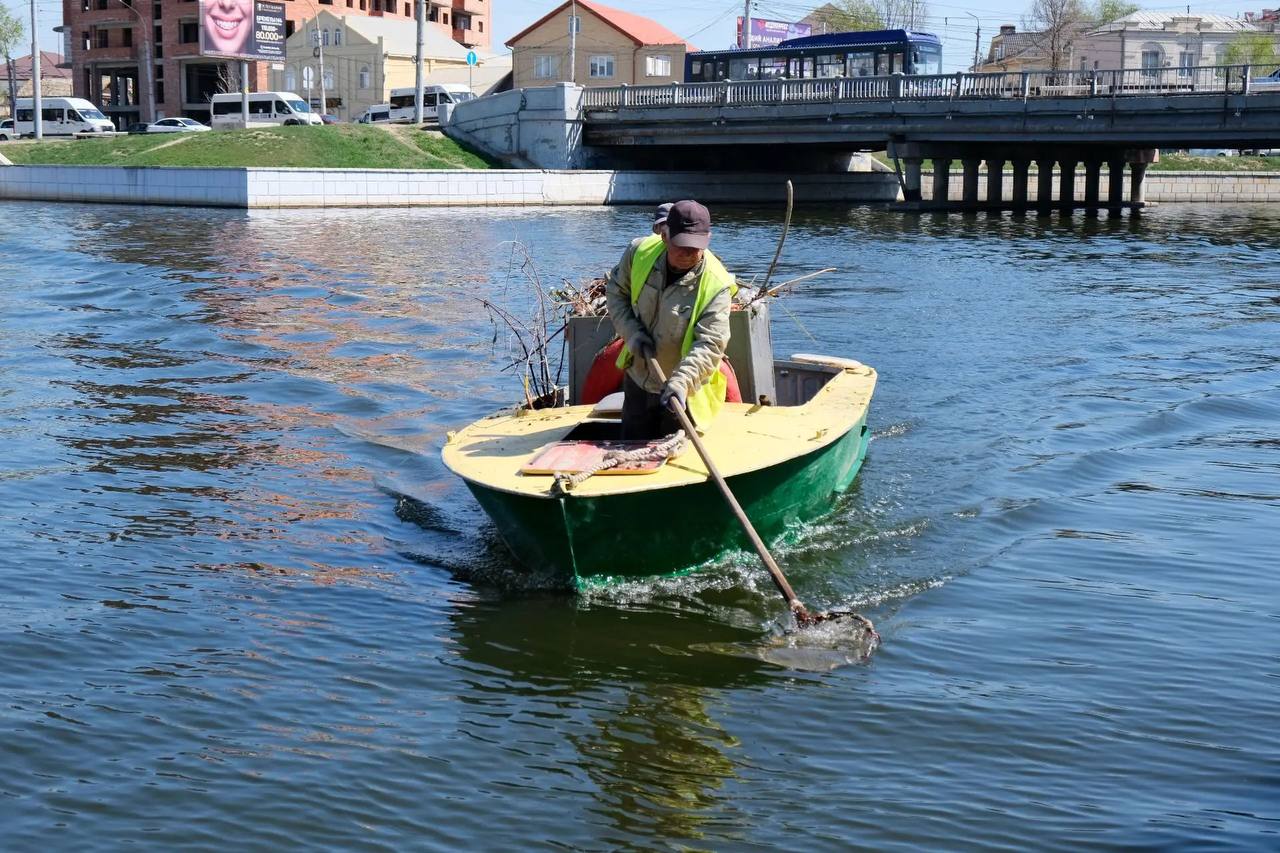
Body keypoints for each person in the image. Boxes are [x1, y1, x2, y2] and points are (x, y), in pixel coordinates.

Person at [605, 199, 737, 441]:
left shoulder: (717, 284)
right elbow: (616, 294)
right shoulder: (639, 253)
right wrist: (631, 332)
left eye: (695, 247)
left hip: (683, 392)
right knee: (631, 450)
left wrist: (682, 381)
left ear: (708, 239)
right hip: (638, 379)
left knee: (672, 455)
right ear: (665, 236)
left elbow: (711, 343)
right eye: (681, 245)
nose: (688, 254)